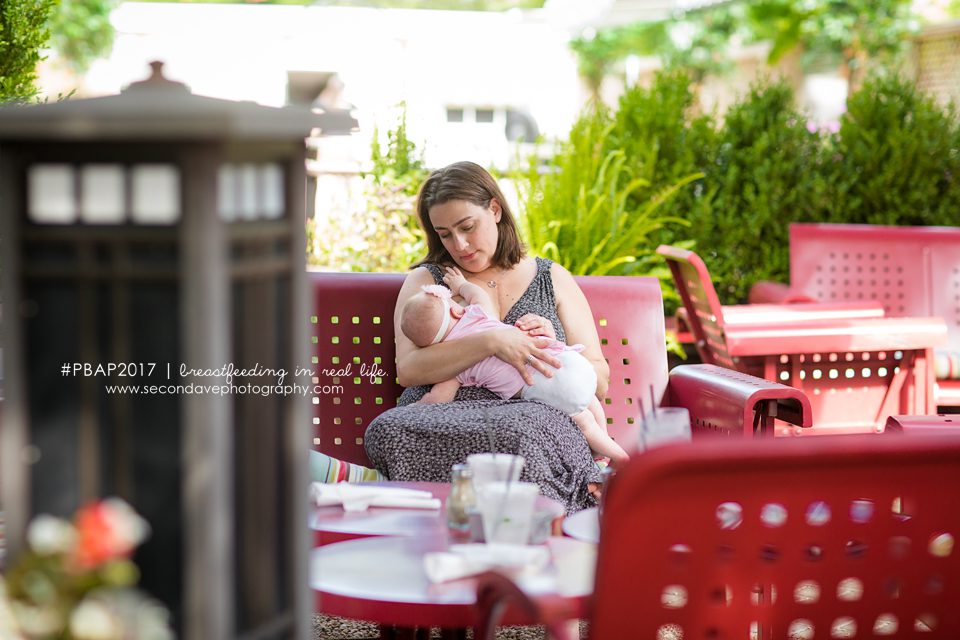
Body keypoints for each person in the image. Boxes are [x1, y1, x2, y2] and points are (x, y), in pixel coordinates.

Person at [362, 160, 614, 510]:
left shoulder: (551, 278)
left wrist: (556, 352)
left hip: (537, 421)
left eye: (467, 226)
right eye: (445, 234)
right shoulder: (428, 282)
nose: (460, 244)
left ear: (495, 209)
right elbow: (410, 370)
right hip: (445, 423)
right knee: (387, 429)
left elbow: (599, 379)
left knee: (524, 433)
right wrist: (491, 342)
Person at [399, 265, 629, 467]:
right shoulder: (477, 314)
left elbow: (439, 398)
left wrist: (416, 407)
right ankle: (604, 448)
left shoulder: (454, 362)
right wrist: (461, 285)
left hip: (543, 385)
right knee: (588, 400)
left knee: (584, 422)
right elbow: (479, 295)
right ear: (456, 310)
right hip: (567, 360)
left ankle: (616, 456)